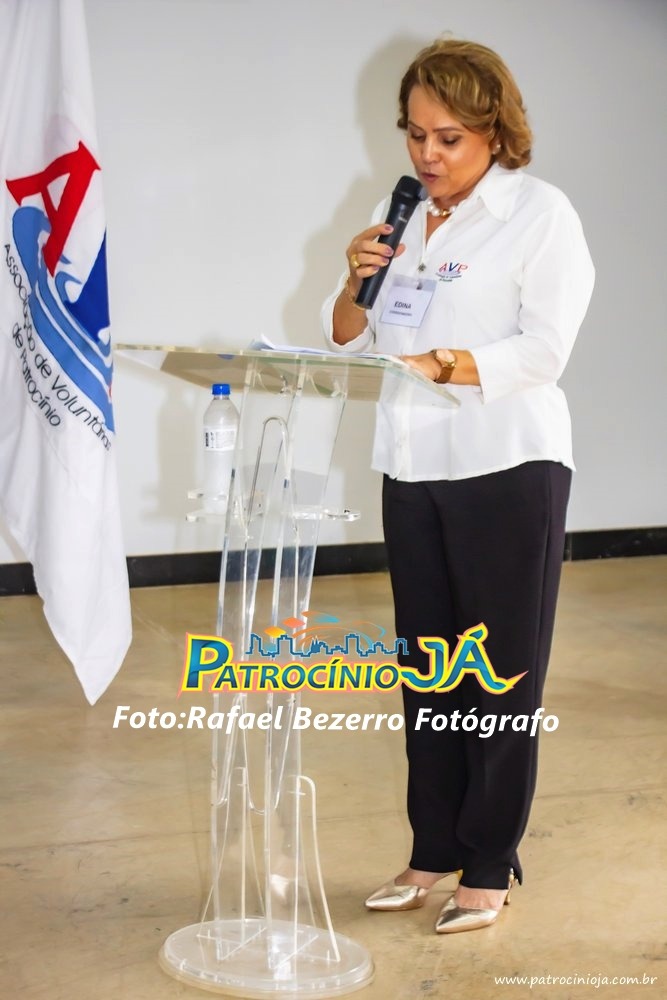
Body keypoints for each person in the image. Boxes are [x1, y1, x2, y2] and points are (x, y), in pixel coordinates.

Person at [321, 38, 594, 934]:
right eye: (414, 135)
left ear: (493, 132)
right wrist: (356, 280)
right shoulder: (396, 212)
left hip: (505, 464)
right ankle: (431, 847)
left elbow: (543, 350)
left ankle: (486, 860)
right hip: (412, 465)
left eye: (448, 138)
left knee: (498, 675)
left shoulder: (538, 214)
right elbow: (346, 336)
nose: (426, 155)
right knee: (429, 672)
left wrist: (441, 363)